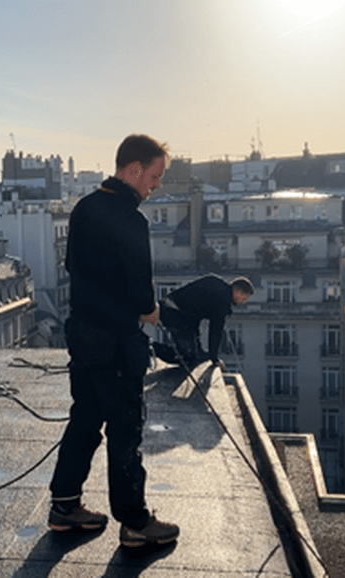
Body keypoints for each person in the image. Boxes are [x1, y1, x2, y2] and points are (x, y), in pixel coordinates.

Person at [48, 134, 179, 548]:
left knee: (85, 419)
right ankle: (135, 521)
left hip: (83, 335)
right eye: (154, 176)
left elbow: (74, 267)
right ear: (134, 169)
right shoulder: (131, 219)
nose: (155, 185)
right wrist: (148, 308)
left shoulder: (84, 208)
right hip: (117, 342)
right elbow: (140, 290)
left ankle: (65, 506)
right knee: (126, 429)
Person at [152, 275, 254, 370]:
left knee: (196, 355)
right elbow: (216, 330)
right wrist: (214, 359)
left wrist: (199, 347)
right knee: (186, 358)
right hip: (173, 312)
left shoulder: (218, 285)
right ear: (238, 293)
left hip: (172, 310)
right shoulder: (223, 301)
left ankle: (150, 347)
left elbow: (195, 312)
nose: (243, 302)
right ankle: (148, 347)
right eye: (244, 298)